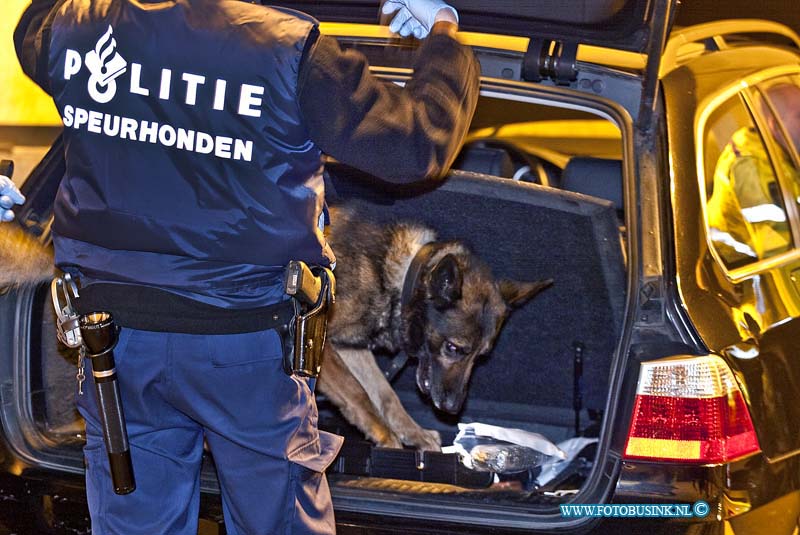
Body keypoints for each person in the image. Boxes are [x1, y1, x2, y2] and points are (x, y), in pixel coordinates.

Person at [8, 0, 480, 533]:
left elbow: (33, 27)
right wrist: (443, 30)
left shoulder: (77, 25)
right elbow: (416, 147)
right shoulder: (293, 53)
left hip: (115, 348)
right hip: (244, 350)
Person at [706, 83, 800, 268]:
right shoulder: (752, 168)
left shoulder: (784, 149)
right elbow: (782, 256)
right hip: (737, 276)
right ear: (775, 126)